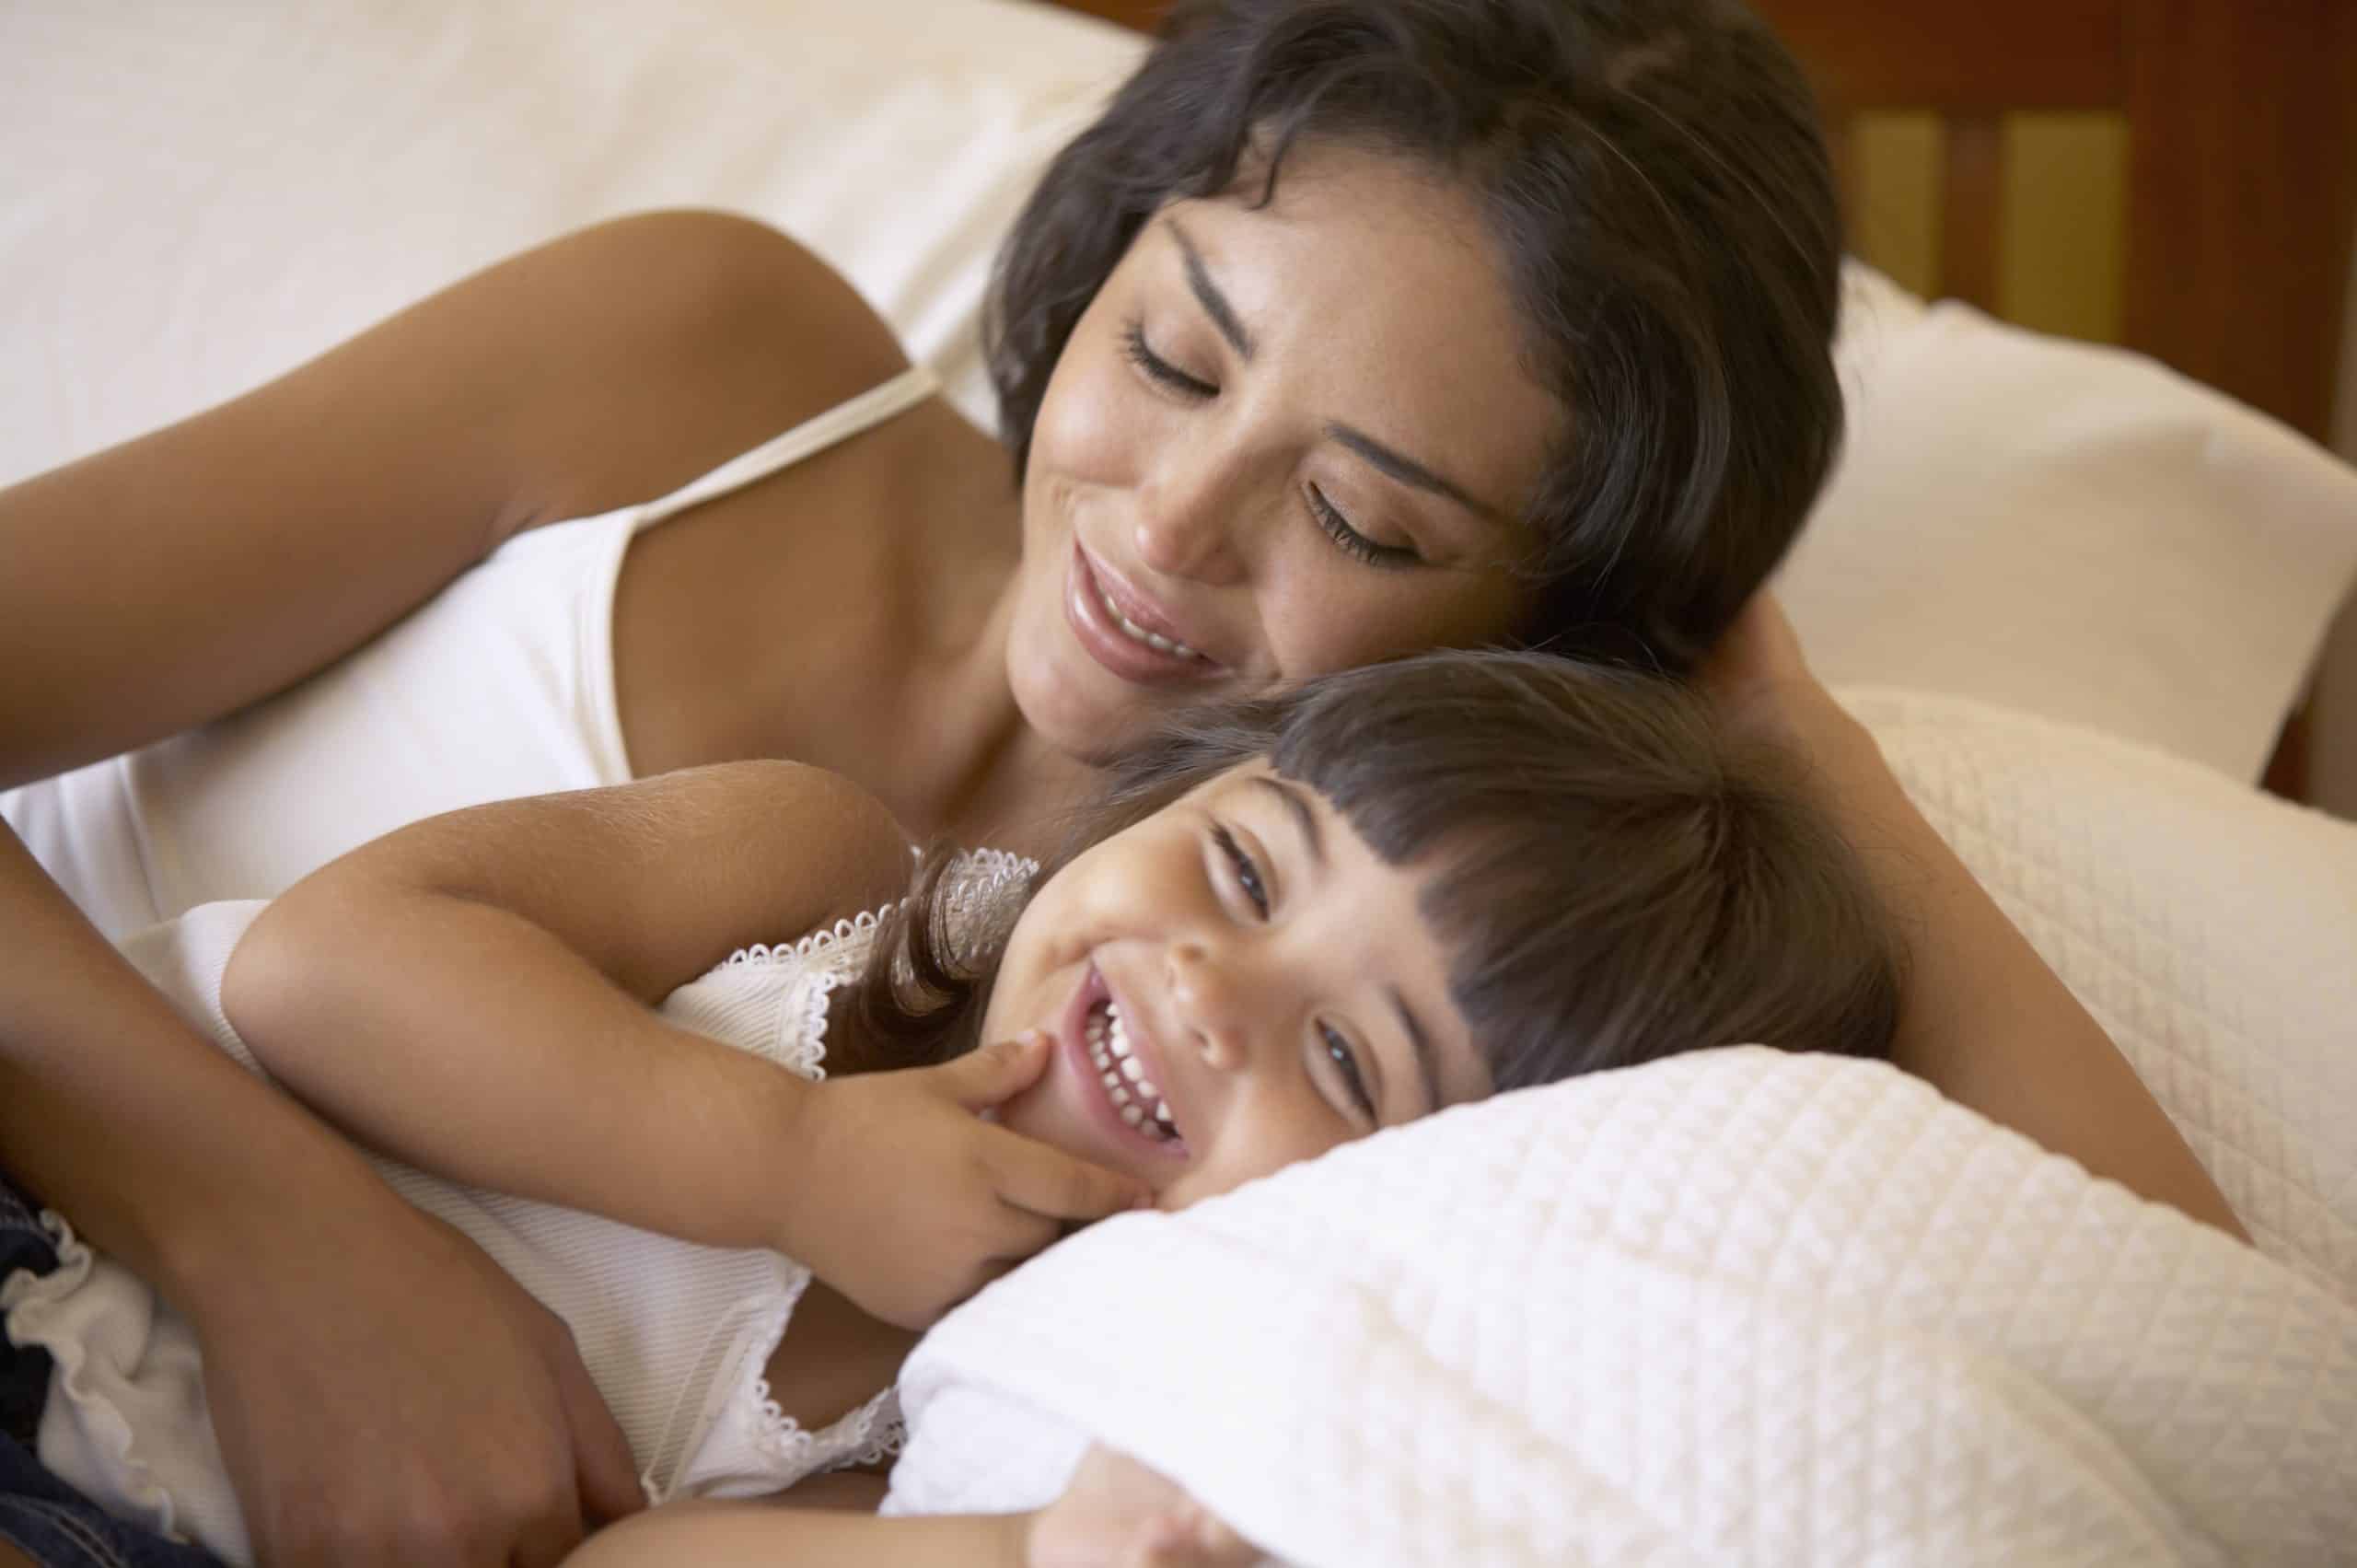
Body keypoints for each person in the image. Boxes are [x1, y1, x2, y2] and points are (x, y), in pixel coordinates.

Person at [0, 0, 2241, 1562]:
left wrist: (1788, 744)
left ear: (1545, 634)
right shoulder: (698, 366)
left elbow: (2194, 1376)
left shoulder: (1244, 1074)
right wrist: (274, 1232)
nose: (1163, 528)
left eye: (1363, 524)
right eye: (1170, 353)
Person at [4, 652, 1900, 1567]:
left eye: (1345, 1063)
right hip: (50, 1178)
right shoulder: (816, 880)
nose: (1206, 992)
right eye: (1240, 872)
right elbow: (328, 970)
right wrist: (784, 1154)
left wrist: (1029, 1554)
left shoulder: (989, 1392)